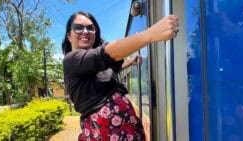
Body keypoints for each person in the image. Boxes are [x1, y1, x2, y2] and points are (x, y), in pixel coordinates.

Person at [62, 11, 179, 141]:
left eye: (90, 28)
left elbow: (107, 73)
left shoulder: (92, 67)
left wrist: (129, 62)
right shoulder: (71, 60)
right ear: (69, 36)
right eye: (78, 27)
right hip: (105, 133)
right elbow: (105, 55)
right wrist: (150, 34)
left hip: (124, 130)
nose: (85, 31)